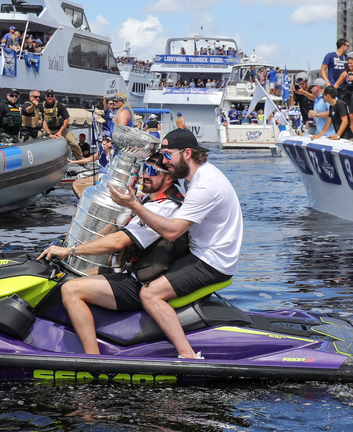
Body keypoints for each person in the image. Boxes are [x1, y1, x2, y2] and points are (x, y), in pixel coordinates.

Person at [108, 128, 243, 359]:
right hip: (205, 251)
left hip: (212, 261)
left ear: (187, 153)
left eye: (168, 155)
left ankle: (187, 355)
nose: (164, 161)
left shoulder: (204, 185)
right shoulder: (196, 177)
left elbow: (172, 231)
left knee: (150, 294)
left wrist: (134, 206)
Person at [38, 153, 185, 355]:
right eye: (145, 169)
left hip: (142, 282)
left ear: (168, 178)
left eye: (152, 171)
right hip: (134, 271)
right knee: (70, 276)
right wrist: (73, 239)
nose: (145, 175)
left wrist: (70, 251)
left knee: (71, 290)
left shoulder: (164, 207)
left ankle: (93, 359)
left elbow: (118, 241)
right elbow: (116, 227)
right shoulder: (149, 200)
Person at [40, 89, 82, 159]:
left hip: (60, 129)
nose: (50, 97)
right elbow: (41, 121)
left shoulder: (59, 106)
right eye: (48, 96)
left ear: (54, 97)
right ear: (45, 97)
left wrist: (60, 132)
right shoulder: (41, 107)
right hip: (47, 129)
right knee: (38, 140)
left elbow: (67, 119)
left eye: (51, 96)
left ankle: (81, 159)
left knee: (73, 142)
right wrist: (49, 133)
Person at [333, 57, 353, 132]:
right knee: (342, 117)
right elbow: (337, 84)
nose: (349, 65)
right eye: (348, 63)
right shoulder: (345, 73)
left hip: (352, 96)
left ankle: (351, 135)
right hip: (343, 95)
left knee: (351, 120)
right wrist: (331, 92)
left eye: (351, 63)